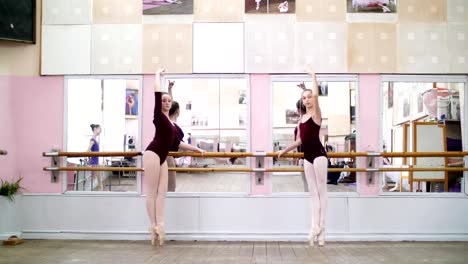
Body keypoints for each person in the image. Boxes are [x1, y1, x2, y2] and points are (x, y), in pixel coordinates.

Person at [143, 68, 204, 247]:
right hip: (153, 153)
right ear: (160, 103)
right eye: (164, 100)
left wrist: (197, 150)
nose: (167, 102)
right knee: (151, 193)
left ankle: (160, 226)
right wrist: (157, 74)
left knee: (162, 194)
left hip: (162, 157)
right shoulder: (158, 116)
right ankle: (152, 226)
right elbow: (156, 93)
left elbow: (179, 144)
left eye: (169, 101)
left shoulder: (172, 124)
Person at [278, 65, 328, 247]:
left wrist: (313, 76)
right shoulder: (301, 119)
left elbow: (315, 95)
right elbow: (299, 141)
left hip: (320, 156)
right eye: (304, 98)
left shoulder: (316, 114)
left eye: (309, 98)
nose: (307, 100)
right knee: (312, 193)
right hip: (307, 157)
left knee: (322, 192)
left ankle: (322, 229)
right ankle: (314, 227)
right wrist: (283, 151)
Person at [167, 80, 184, 192]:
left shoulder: (170, 122)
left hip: (170, 156)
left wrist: (170, 90)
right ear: (177, 111)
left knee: (170, 187)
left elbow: (170, 105)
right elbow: (180, 144)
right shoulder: (170, 123)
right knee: (171, 187)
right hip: (168, 157)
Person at [293, 97, 308, 192]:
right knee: (307, 184)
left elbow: (298, 140)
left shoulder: (305, 122)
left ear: (299, 109)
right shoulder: (303, 120)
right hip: (303, 156)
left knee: (308, 184)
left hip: (306, 157)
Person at [87, 124, 103, 191]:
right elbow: (87, 151)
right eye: (100, 129)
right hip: (94, 163)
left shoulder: (94, 140)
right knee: (99, 183)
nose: (101, 131)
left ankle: (99, 193)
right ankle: (100, 194)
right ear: (95, 129)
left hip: (95, 163)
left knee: (99, 181)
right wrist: (89, 161)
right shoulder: (92, 140)